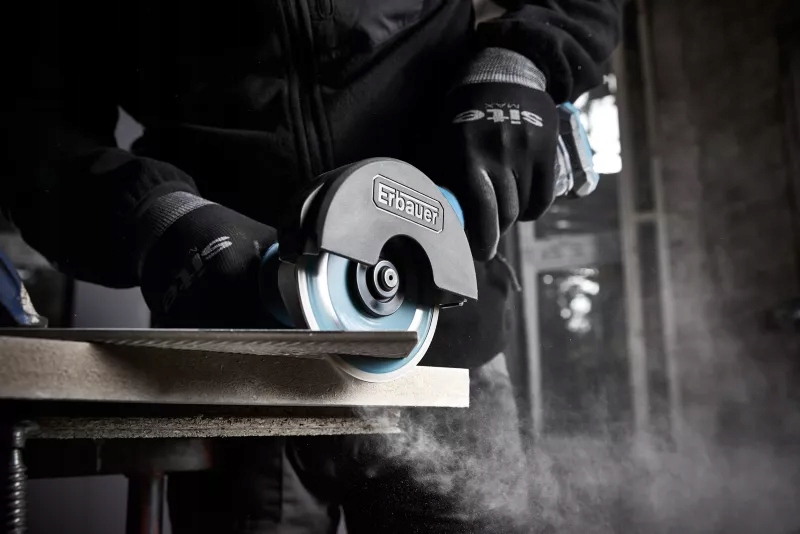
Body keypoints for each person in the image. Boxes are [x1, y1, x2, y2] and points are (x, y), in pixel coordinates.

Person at [3, 0, 621, 531]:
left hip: (439, 333)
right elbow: (35, 124)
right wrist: (154, 216)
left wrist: (521, 61)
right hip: (233, 350)